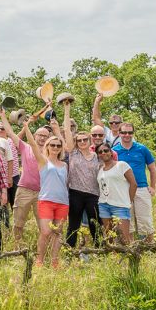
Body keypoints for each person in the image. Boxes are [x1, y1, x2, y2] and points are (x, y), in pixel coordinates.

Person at [0, 111, 48, 246]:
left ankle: (42, 248)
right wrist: (2, 115)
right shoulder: (25, 147)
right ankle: (17, 245)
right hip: (24, 190)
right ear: (34, 135)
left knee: (43, 225)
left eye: (45, 136)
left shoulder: (52, 151)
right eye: (40, 135)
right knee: (18, 222)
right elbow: (10, 132)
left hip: (43, 193)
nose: (42, 138)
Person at [24, 118, 68, 268]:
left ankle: (55, 261)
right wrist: (26, 126)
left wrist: (58, 128)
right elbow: (32, 144)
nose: (55, 147)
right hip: (46, 201)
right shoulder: (43, 161)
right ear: (48, 146)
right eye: (52, 145)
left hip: (62, 202)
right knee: (45, 231)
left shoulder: (64, 165)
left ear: (61, 148)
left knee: (57, 233)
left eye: (58, 145)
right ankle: (39, 260)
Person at [62, 101, 101, 248]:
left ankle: (99, 252)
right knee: (73, 226)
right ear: (76, 142)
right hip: (75, 193)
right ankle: (69, 252)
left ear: (89, 140)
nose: (82, 142)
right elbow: (66, 130)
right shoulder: (73, 153)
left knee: (95, 225)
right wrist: (67, 110)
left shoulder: (97, 155)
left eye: (85, 139)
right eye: (79, 140)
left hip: (93, 194)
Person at [112, 122, 156, 241]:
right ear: (119, 133)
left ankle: (150, 249)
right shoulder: (114, 151)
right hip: (123, 190)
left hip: (141, 188)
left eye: (130, 132)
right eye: (124, 132)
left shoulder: (142, 148)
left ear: (133, 133)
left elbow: (152, 168)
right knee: (127, 222)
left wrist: (152, 187)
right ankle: (130, 250)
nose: (127, 135)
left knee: (145, 221)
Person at [96, 143, 137, 244]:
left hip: (120, 205)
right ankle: (113, 258)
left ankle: (130, 258)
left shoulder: (121, 165)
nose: (103, 153)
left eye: (105, 150)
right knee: (109, 237)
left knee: (124, 238)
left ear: (111, 152)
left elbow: (133, 184)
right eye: (100, 152)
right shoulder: (100, 169)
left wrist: (128, 201)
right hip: (104, 205)